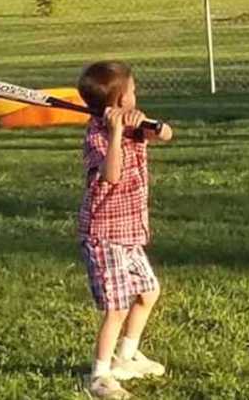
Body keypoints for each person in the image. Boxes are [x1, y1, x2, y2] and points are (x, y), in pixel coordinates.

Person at [77, 61, 174, 399]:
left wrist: (148, 125)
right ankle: (100, 376)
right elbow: (111, 175)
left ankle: (126, 357)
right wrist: (116, 133)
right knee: (116, 307)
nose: (136, 95)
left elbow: (165, 133)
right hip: (104, 236)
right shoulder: (96, 136)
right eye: (131, 92)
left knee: (149, 293)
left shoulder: (134, 121)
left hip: (130, 232)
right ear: (118, 101)